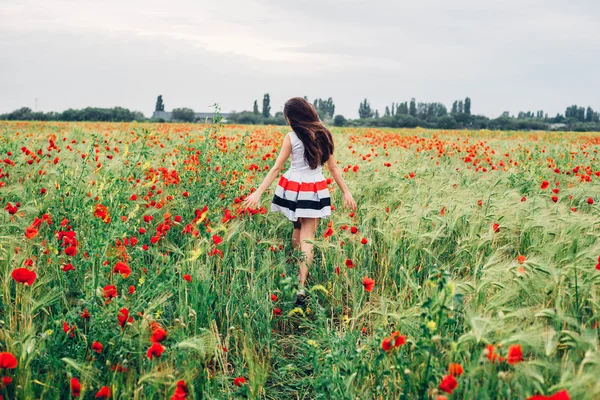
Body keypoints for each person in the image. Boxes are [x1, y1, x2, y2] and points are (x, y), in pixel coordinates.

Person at [242, 97, 357, 304]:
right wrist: (346, 192)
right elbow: (333, 168)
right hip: (314, 188)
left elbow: (277, 168)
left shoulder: (291, 137)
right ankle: (301, 285)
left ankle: (295, 271)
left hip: (293, 188)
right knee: (307, 235)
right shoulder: (325, 135)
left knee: (297, 227)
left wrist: (258, 192)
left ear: (292, 117)